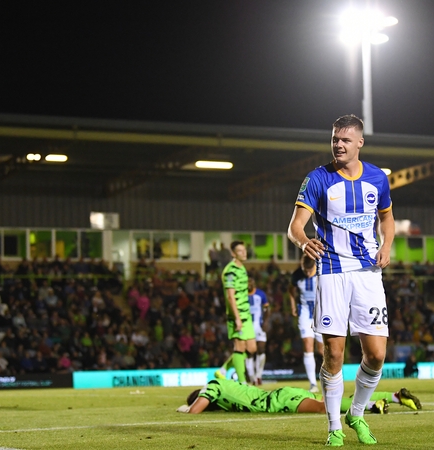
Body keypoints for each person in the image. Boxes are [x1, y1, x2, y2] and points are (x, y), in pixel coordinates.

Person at [287, 114, 395, 447]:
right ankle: (334, 427)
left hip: (368, 273)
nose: (338, 144)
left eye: (345, 140)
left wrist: (387, 245)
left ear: (359, 142)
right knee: (333, 354)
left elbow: (387, 219)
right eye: (335, 139)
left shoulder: (377, 178)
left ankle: (356, 413)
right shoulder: (318, 179)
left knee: (376, 354)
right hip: (332, 271)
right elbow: (295, 226)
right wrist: (304, 242)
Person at [177, 378, 421, 415]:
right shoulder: (228, 384)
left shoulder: (212, 386)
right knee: (329, 400)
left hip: (278, 401)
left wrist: (187, 408)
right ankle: (395, 396)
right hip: (283, 394)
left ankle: (371, 406)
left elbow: (197, 409)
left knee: (325, 407)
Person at [214, 241, 256, 384]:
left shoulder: (242, 268)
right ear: (233, 253)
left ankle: (223, 370)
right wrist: (237, 318)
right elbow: (230, 296)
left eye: (244, 250)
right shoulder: (230, 271)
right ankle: (242, 383)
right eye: (240, 251)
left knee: (252, 348)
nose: (244, 253)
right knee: (239, 348)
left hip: (246, 314)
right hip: (236, 315)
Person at [289, 255, 324, 393]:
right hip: (305, 314)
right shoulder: (297, 275)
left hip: (321, 314)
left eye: (310, 270)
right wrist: (293, 305)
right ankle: (313, 384)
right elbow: (291, 289)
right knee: (307, 345)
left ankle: (330, 379)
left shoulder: (322, 272)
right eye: (305, 270)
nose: (308, 273)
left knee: (322, 350)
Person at [246, 277, 269, 385]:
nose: (248, 286)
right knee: (249, 352)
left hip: (259, 325)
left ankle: (259, 375)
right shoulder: (242, 295)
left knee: (261, 349)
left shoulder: (261, 294)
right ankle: (251, 377)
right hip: (247, 327)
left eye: (250, 284)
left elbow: (267, 309)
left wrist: (266, 322)